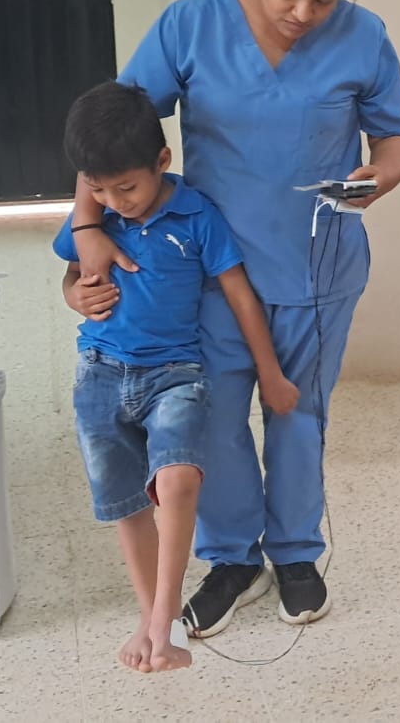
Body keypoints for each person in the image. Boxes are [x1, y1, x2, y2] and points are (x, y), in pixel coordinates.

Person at [62, 0, 400, 635]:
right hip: (205, 273)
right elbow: (113, 129)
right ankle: (231, 558)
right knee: (213, 419)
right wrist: (87, 223)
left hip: (315, 267)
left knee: (299, 415)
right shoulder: (191, 25)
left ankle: (295, 552)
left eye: (325, 0)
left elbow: (396, 140)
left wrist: (377, 178)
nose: (304, 14)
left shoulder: (365, 37)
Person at [53, 81, 299, 673]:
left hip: (175, 373)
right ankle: (149, 617)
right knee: (126, 503)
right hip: (100, 374)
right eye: (99, 190)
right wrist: (74, 295)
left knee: (178, 481)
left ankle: (164, 624)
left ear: (162, 161)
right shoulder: (93, 221)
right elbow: (71, 278)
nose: (115, 201)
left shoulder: (197, 216)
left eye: (127, 187)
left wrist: (270, 374)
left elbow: (240, 296)